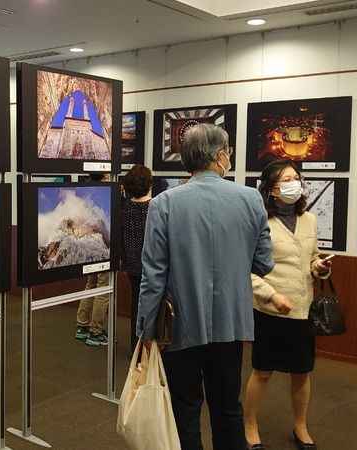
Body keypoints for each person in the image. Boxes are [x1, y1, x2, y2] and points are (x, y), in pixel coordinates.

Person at [136, 123, 274, 450]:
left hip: (179, 326)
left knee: (184, 410)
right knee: (228, 409)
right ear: (221, 155)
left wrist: (145, 331)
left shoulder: (164, 204)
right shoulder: (251, 199)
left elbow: (152, 274)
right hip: (230, 324)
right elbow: (265, 263)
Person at [243, 160, 332, 450]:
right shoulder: (259, 222)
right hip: (270, 310)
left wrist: (320, 267)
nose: (293, 183)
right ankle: (250, 426)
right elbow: (247, 270)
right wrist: (271, 295)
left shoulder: (309, 219)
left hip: (302, 309)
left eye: (296, 177)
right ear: (270, 189)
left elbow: (312, 258)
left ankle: (301, 426)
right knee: (263, 371)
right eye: (285, 180)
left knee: (301, 371)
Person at [75, 172, 111, 347]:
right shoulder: (106, 192)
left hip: (88, 249)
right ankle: (95, 332)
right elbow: (103, 227)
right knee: (103, 290)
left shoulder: (85, 192)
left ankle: (82, 326)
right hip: (102, 249)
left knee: (90, 285)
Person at [119, 165, 153, 352]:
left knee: (136, 306)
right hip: (153, 267)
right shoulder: (156, 208)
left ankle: (136, 347)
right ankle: (151, 348)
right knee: (153, 307)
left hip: (131, 266)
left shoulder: (124, 209)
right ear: (149, 184)